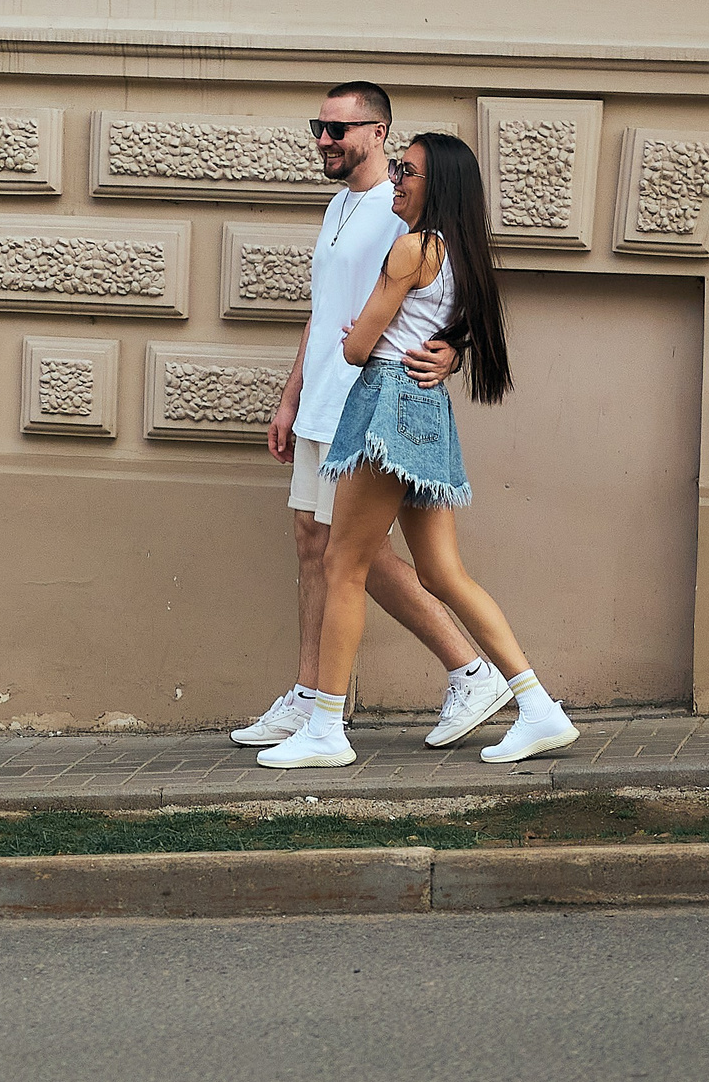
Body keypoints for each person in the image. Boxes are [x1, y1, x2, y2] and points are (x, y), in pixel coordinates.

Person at [258, 131, 577, 770]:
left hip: (383, 404)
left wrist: (361, 334)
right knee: (442, 573)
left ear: (440, 187)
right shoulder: (461, 254)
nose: (397, 179)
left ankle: (325, 728)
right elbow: (441, 330)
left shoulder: (410, 249)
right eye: (398, 167)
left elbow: (354, 347)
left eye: (408, 171)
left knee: (345, 565)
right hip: (425, 411)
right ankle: (538, 705)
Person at [230, 83, 514, 754]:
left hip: (368, 399)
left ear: (378, 131)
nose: (324, 141)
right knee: (311, 540)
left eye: (338, 130)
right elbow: (324, 310)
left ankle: (470, 670)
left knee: (355, 553)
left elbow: (460, 270)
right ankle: (307, 696)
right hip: (323, 397)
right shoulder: (337, 205)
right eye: (318, 128)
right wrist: (290, 394)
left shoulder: (398, 204)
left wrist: (455, 346)